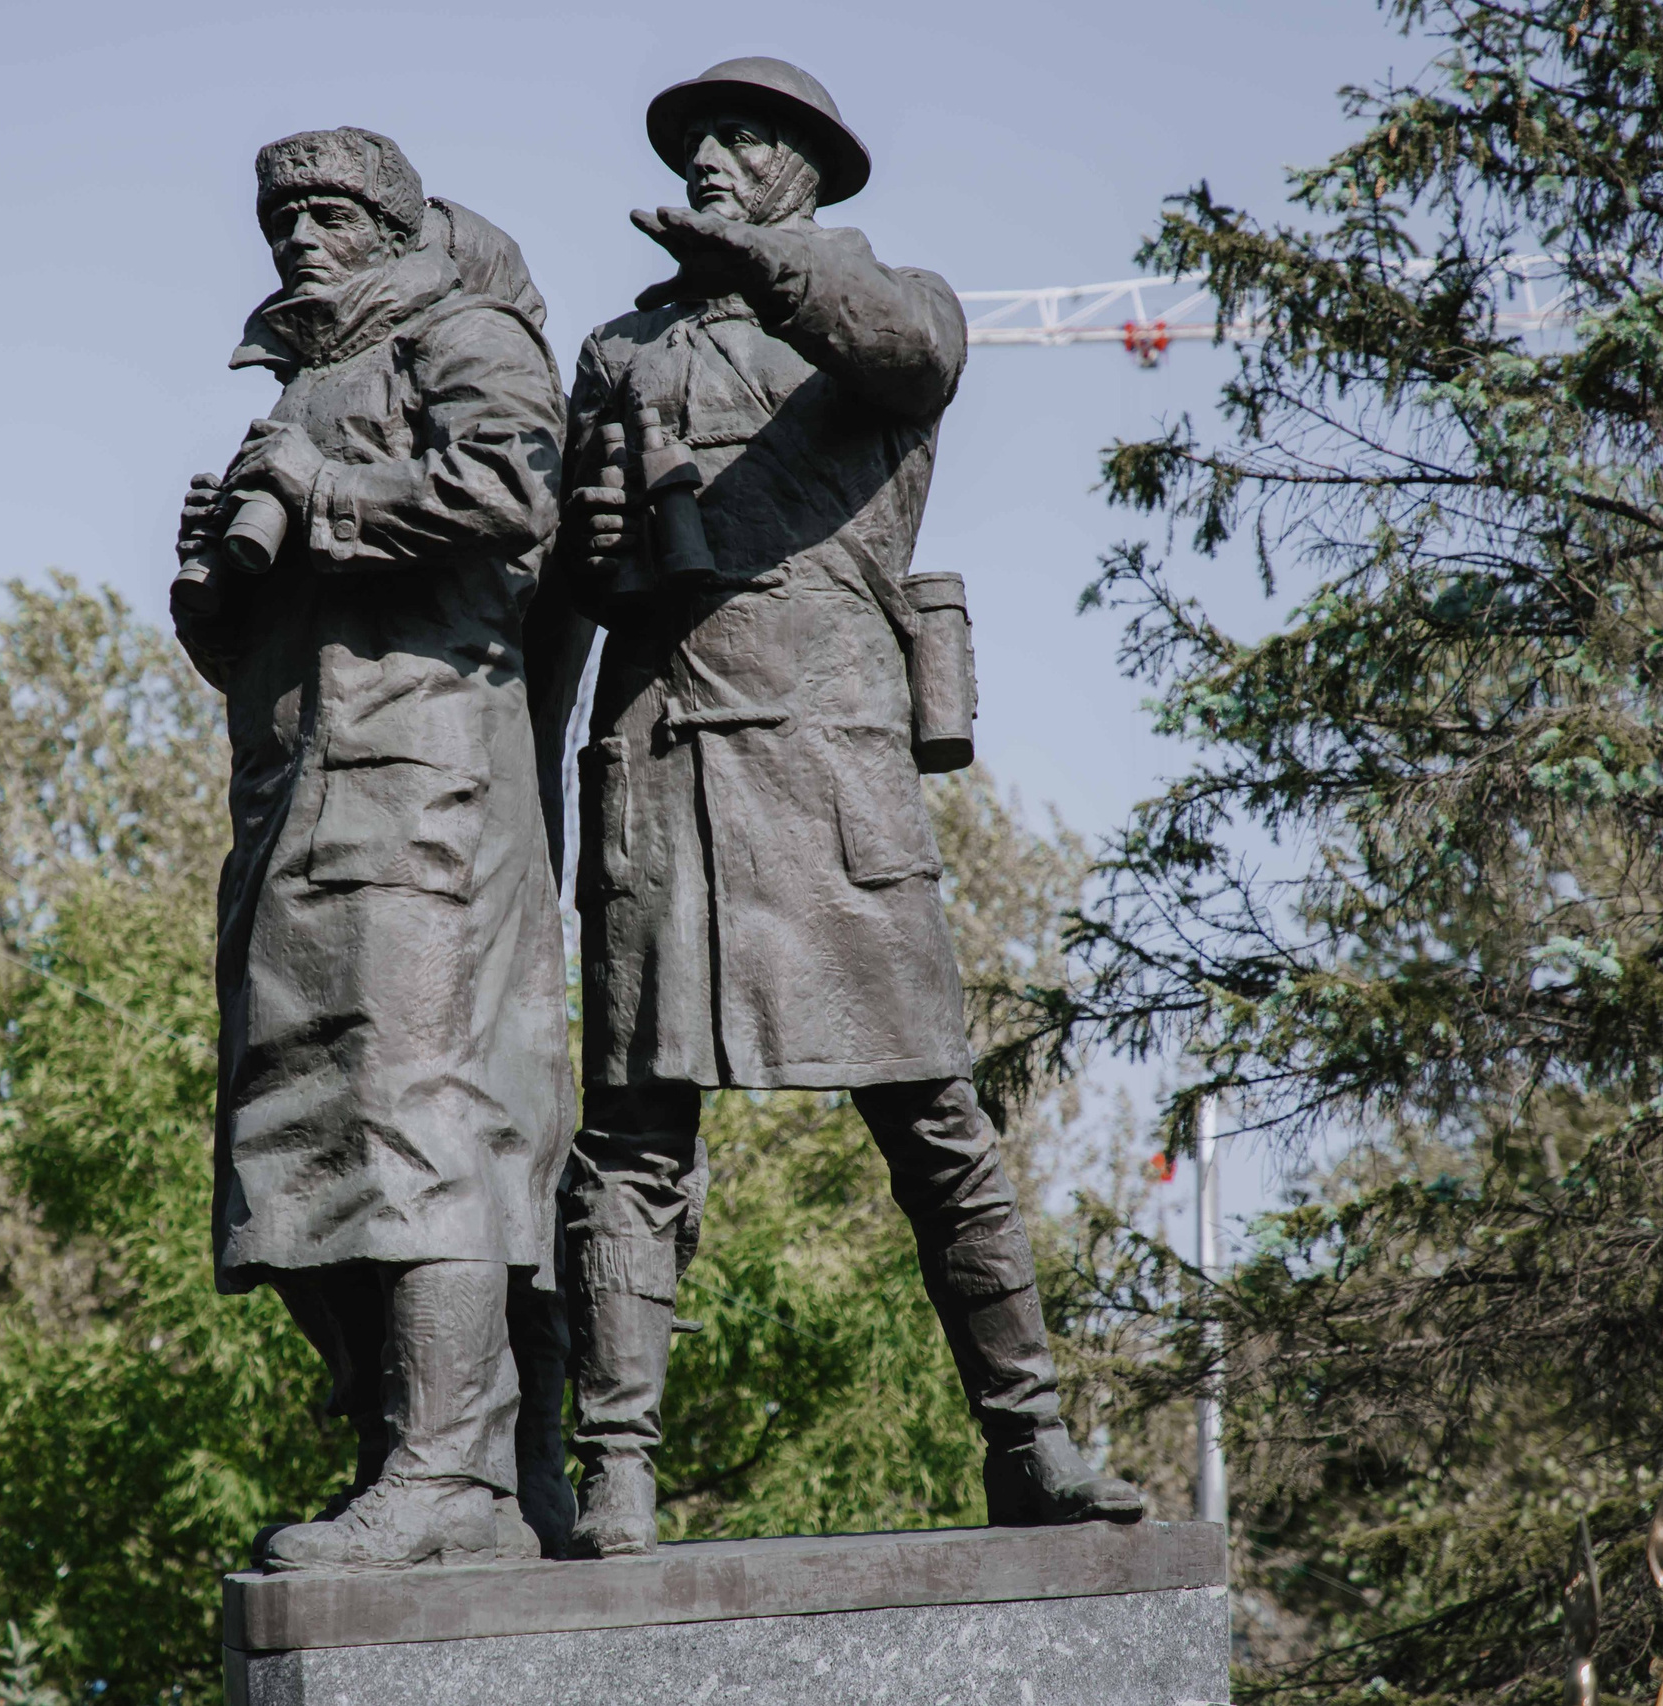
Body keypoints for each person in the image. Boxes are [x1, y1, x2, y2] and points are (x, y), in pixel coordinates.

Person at [547, 59, 1146, 1558]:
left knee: (938, 1119)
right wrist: (594, 545)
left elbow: (916, 355)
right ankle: (614, 1464)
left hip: (831, 770)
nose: (710, 157)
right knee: (631, 1134)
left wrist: (768, 268)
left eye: (743, 140)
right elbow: (557, 587)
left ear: (809, 170)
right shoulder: (621, 348)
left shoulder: (884, 308)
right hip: (669, 761)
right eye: (696, 141)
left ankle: (1031, 1440)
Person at [171, 126, 572, 1572]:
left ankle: (450, 1474)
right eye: (283, 216)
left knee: (421, 1118)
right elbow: (242, 632)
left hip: (426, 788)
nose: (300, 237)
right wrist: (218, 566)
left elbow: (510, 490)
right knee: (290, 1138)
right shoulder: (297, 385)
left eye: (333, 212)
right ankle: (429, 1448)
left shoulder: (463, 337)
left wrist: (321, 494)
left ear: (397, 225)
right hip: (293, 793)